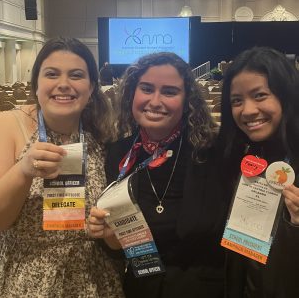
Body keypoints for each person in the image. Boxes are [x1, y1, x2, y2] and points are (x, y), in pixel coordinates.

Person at [87, 52, 229, 298]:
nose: (155, 101)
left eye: (170, 92)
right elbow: (121, 248)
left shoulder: (211, 152)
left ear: (187, 101)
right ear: (132, 93)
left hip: (203, 289)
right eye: (146, 88)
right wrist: (109, 238)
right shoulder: (118, 154)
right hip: (141, 287)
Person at [0, 37, 124, 297]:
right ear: (36, 84)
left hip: (94, 279)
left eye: (76, 75)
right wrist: (23, 170)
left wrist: (110, 232)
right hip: (29, 281)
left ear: (91, 88)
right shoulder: (8, 125)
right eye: (52, 74)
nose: (64, 84)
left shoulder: (104, 134)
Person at [217, 46, 299, 297]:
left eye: (260, 95)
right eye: (237, 101)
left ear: (286, 95)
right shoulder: (236, 158)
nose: (248, 110)